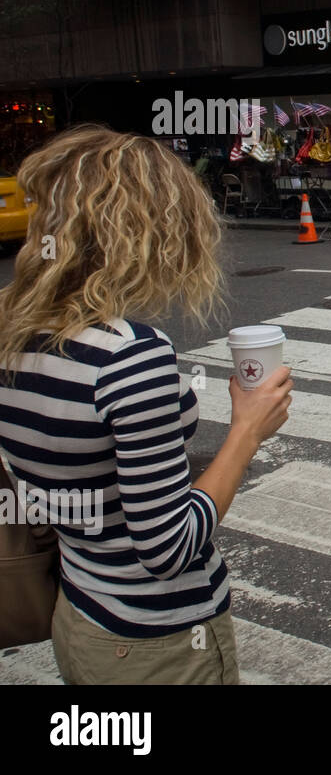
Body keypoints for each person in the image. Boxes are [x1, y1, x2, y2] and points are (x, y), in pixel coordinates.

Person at [0, 126, 293, 684]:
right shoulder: (129, 357)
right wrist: (246, 433)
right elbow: (168, 548)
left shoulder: (11, 331)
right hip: (156, 640)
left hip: (80, 612)